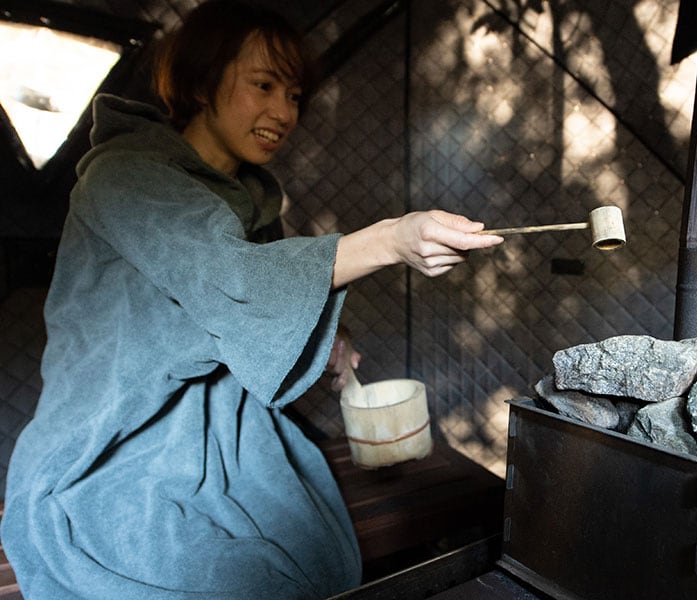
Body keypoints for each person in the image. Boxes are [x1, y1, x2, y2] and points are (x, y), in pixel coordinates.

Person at [0, 1, 503, 598]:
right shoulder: (125, 177)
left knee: (312, 556)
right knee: (237, 576)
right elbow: (234, 280)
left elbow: (253, 307)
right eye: (263, 85)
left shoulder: (250, 197)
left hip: (229, 427)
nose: (283, 112)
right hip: (117, 437)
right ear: (200, 84)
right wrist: (392, 237)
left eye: (294, 95)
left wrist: (330, 338)